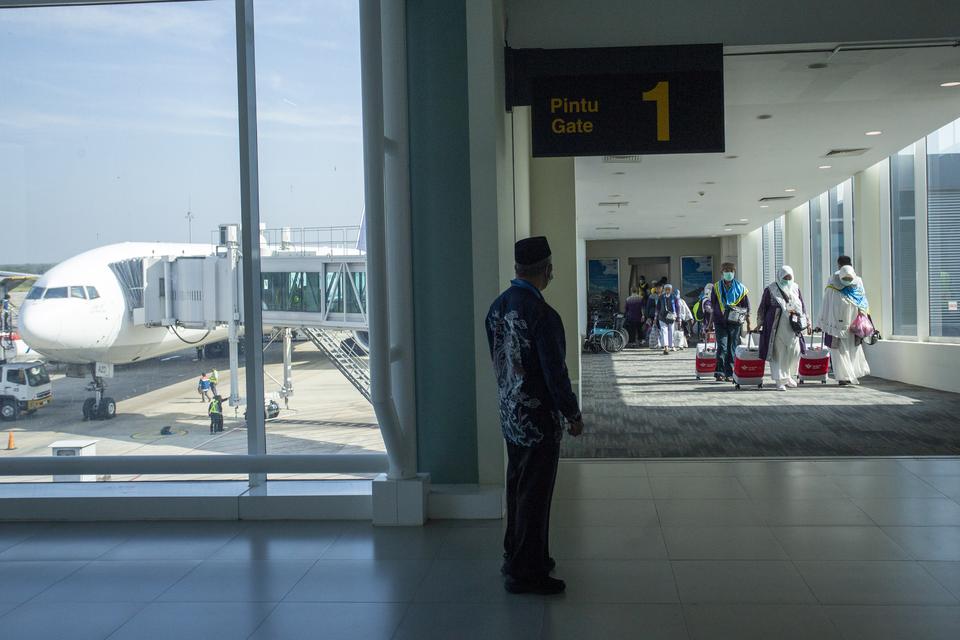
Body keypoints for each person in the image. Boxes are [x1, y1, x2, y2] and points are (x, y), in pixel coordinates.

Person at [486, 236, 584, 595]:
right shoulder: (542, 314)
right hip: (539, 421)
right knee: (536, 494)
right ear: (546, 270)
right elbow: (554, 372)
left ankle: (521, 554)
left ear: (517, 269)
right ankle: (525, 573)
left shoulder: (497, 308)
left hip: (511, 415)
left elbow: (498, 362)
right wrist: (572, 413)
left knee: (518, 486)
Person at [757, 266, 808, 391]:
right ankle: (779, 380)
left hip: (793, 326)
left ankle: (788, 376)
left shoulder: (795, 288)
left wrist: (807, 321)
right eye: (785, 277)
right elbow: (763, 307)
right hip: (776, 326)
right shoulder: (771, 289)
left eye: (789, 277)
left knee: (794, 351)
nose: (787, 279)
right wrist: (760, 322)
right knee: (779, 353)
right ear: (780, 276)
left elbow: (802, 304)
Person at [819, 265, 871, 385]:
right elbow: (826, 305)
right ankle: (842, 377)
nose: (847, 281)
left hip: (853, 326)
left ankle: (850, 374)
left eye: (849, 278)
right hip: (836, 325)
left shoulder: (857, 286)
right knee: (839, 352)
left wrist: (864, 318)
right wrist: (822, 322)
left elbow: (863, 303)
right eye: (845, 278)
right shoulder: (833, 286)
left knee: (852, 350)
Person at [710, 263, 752, 381]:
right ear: (722, 272)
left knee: (732, 348)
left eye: (730, 270)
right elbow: (713, 307)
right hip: (720, 321)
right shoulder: (716, 287)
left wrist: (748, 323)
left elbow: (746, 307)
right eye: (725, 270)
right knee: (722, 347)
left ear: (734, 272)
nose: (728, 273)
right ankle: (719, 372)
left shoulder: (741, 288)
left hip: (735, 323)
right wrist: (709, 324)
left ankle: (729, 373)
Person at [656, 283, 680, 354]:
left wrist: (678, 317)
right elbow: (657, 307)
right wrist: (655, 317)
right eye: (666, 289)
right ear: (664, 289)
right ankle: (666, 346)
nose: (667, 291)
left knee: (671, 331)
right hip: (662, 317)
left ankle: (671, 345)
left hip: (671, 317)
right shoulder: (661, 297)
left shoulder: (674, 297)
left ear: (671, 290)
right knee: (664, 331)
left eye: (669, 289)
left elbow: (677, 307)